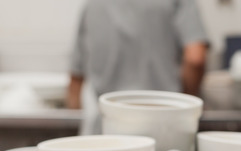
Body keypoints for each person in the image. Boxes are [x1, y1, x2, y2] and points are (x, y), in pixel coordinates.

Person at [67, 0, 209, 134]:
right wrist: (185, 109)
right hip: (164, 130)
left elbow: (75, 82)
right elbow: (195, 58)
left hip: (107, 130)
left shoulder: (93, 4)